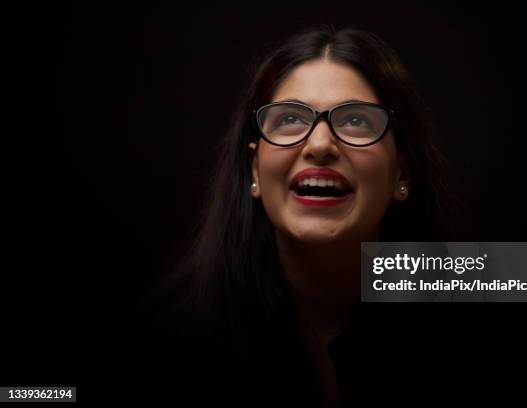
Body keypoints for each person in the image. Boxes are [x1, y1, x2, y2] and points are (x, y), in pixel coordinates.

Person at [135, 25, 456, 407]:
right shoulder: (164, 337)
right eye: (289, 119)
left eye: (356, 120)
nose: (320, 144)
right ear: (254, 170)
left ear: (401, 174)